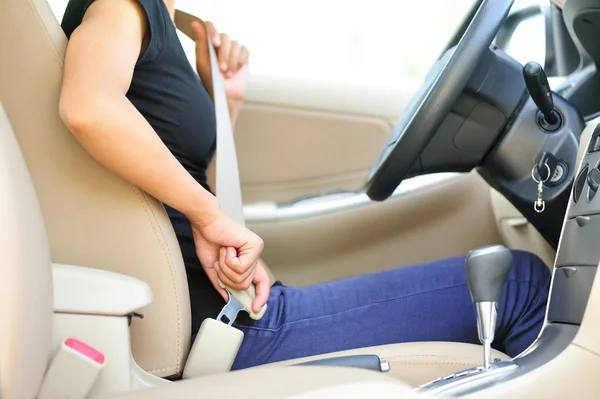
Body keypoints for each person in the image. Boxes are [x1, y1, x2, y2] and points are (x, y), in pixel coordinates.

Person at [59, 0, 551, 371]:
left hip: (224, 314)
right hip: (228, 329)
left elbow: (169, 176)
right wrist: (209, 215)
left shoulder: (164, 23)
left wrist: (221, 102)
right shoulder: (120, 5)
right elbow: (89, 106)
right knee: (519, 285)